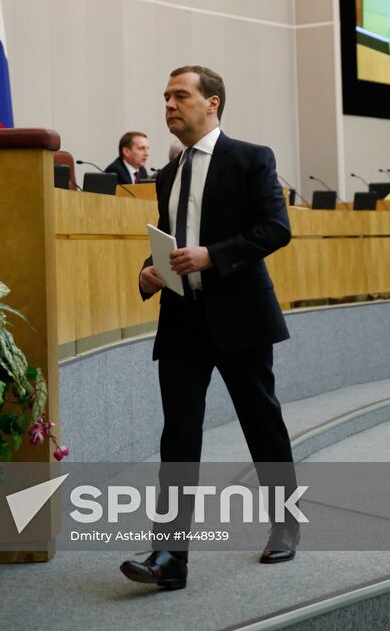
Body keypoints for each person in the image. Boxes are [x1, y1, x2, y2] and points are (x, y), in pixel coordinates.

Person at [120, 66, 297, 592]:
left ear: (212, 103)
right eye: (166, 97)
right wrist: (150, 272)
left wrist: (211, 256)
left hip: (240, 315)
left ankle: (285, 523)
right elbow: (170, 240)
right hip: (182, 320)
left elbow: (276, 229)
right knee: (178, 436)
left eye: (181, 96)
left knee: (261, 423)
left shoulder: (251, 158)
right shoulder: (167, 174)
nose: (169, 105)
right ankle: (170, 555)